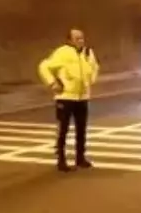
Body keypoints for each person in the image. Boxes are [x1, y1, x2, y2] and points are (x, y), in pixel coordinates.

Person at [38, 28, 99, 172]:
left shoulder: (88, 52)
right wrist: (53, 83)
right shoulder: (62, 52)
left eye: (82, 38)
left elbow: (94, 67)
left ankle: (80, 158)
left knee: (81, 129)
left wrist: (90, 80)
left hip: (82, 97)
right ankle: (61, 160)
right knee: (63, 130)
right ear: (69, 40)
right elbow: (44, 66)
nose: (81, 41)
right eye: (77, 38)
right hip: (65, 97)